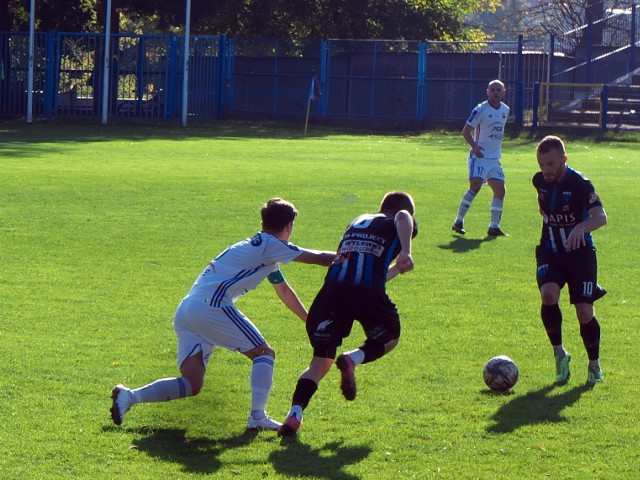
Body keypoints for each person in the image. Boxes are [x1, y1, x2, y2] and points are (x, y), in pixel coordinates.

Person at [110, 198, 341, 430]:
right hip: (213, 306)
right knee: (264, 354)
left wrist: (308, 320)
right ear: (289, 226)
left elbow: (283, 290)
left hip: (187, 311)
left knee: (192, 383)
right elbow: (320, 258)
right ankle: (257, 417)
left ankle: (129, 397)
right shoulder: (271, 246)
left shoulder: (259, 248)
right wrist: (355, 254)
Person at [278, 191, 417, 437]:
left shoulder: (358, 220)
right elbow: (404, 216)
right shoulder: (399, 218)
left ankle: (294, 414)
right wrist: (406, 250)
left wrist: (396, 268)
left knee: (320, 363)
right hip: (366, 293)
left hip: (331, 293)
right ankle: (353, 358)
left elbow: (371, 271)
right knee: (390, 337)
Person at [533, 136, 607, 385]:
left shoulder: (581, 185)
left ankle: (594, 365)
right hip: (550, 251)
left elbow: (600, 217)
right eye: (542, 164)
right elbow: (542, 205)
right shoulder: (539, 181)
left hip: (580, 254)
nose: (546, 170)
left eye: (551, 164)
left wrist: (580, 228)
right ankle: (559, 354)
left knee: (584, 312)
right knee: (549, 295)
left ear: (564, 159)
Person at [452, 79, 509, 237]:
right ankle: (458, 221)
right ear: (487, 92)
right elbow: (466, 130)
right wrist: (475, 147)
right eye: (492, 90)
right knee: (475, 186)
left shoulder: (505, 110)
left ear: (504, 92)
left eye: (498, 90)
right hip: (480, 157)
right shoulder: (480, 109)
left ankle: (494, 227)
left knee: (500, 189)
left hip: (494, 158)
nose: (495, 93)